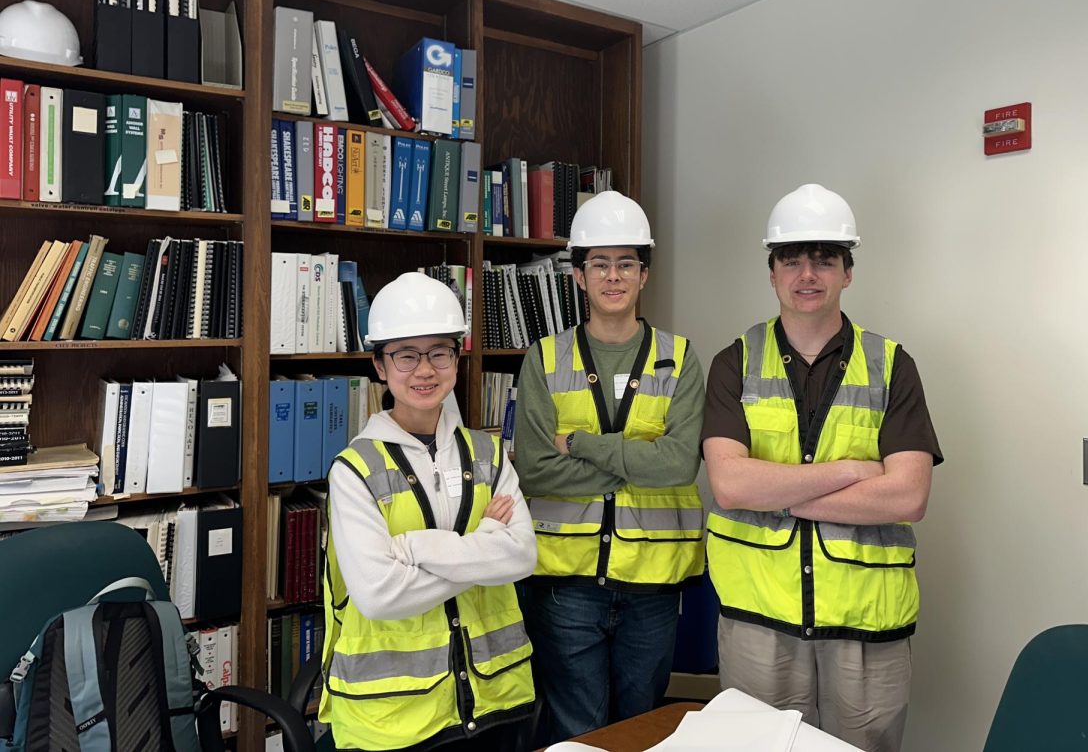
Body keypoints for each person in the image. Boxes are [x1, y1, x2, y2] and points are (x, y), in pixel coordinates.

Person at [703, 184, 942, 752]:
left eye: (824, 259)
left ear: (847, 272)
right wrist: (852, 471)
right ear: (772, 272)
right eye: (792, 259)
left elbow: (908, 497)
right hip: (758, 622)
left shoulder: (891, 365)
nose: (807, 273)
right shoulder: (732, 362)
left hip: (866, 629)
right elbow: (731, 486)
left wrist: (778, 489)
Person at [513, 191, 706, 745]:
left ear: (644, 274)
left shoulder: (681, 357)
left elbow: (678, 466)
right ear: (578, 275)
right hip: (565, 586)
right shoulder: (544, 359)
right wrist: (639, 459)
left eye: (626, 263)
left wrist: (579, 443)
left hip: (653, 584)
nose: (613, 276)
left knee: (644, 728)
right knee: (579, 731)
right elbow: (535, 471)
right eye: (599, 263)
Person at [319, 272, 537, 751]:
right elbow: (378, 596)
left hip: (496, 699)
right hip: (393, 717)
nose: (424, 370)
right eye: (405, 355)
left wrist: (419, 548)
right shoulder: (354, 470)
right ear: (379, 365)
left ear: (456, 359)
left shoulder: (489, 454)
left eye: (439, 352)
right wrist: (483, 551)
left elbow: (522, 558)